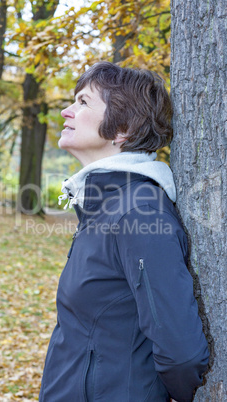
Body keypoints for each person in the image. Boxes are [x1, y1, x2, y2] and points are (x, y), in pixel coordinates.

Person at [39, 61, 209, 402]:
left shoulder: (138, 211)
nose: (66, 111)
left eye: (84, 102)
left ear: (124, 130)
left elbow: (180, 351)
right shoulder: (107, 204)